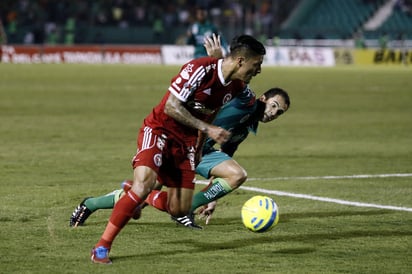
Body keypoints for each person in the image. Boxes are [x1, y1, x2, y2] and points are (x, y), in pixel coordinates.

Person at [89, 34, 266, 264]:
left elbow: (216, 107)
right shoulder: (198, 68)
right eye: (257, 64)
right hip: (160, 129)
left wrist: (200, 146)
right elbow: (172, 106)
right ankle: (101, 248)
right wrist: (208, 128)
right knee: (144, 183)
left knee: (179, 210)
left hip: (186, 142)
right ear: (241, 61)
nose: (259, 70)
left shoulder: (236, 86)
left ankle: (136, 194)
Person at [70, 87, 290, 228]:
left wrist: (212, 199)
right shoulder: (246, 101)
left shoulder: (245, 128)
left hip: (199, 152)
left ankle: (186, 208)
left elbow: (226, 158)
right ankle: (90, 204)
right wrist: (218, 55)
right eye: (273, 106)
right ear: (263, 98)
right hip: (181, 143)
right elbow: (234, 80)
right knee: (141, 193)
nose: (273, 114)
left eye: (279, 113)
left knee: (236, 175)